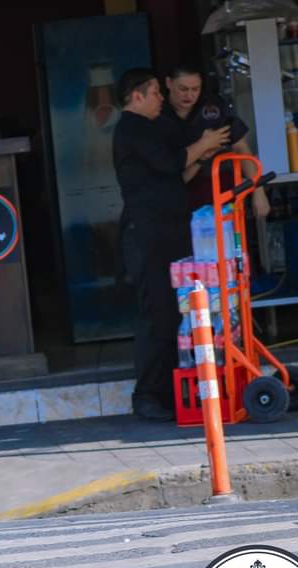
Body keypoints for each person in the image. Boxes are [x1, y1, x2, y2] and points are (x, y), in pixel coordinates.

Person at [112, 68, 230, 421]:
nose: (162, 99)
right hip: (147, 238)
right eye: (156, 93)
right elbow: (168, 162)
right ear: (137, 96)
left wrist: (202, 152)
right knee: (156, 315)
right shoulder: (131, 128)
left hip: (169, 234)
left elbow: (177, 169)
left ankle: (166, 394)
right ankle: (147, 396)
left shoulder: (153, 127)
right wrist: (202, 146)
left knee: (173, 315)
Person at [161, 64, 270, 218]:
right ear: (168, 83)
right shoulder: (157, 113)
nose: (189, 96)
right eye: (183, 89)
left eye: (195, 89)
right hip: (178, 196)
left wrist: (258, 191)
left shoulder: (213, 107)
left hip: (222, 192)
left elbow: (240, 147)